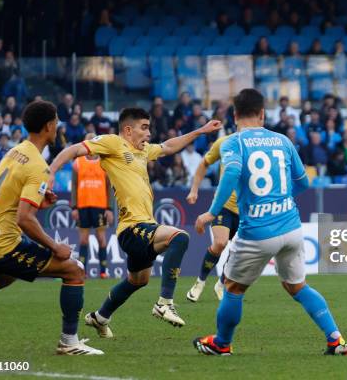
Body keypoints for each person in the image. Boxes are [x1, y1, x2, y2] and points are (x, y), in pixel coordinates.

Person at [193, 88, 347, 356]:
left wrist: (211, 211)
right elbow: (303, 182)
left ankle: (221, 343)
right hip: (291, 227)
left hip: (257, 231)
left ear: (234, 114)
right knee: (297, 286)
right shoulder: (283, 140)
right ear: (263, 114)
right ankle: (336, 339)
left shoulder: (234, 142)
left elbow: (231, 171)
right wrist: (282, 198)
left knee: (233, 286)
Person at [49, 107, 222, 335]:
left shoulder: (142, 151)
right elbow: (74, 149)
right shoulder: (112, 142)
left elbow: (169, 146)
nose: (149, 133)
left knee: (138, 280)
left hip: (144, 225)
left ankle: (100, 317)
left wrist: (200, 130)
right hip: (132, 227)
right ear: (128, 130)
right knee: (179, 237)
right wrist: (51, 171)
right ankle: (164, 303)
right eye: (144, 127)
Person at [0, 100, 104, 355]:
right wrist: (54, 246)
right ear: (48, 126)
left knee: (2, 277)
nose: (58, 125)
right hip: (2, 244)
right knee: (74, 271)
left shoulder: (14, 152)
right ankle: (69, 342)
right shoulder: (38, 166)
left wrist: (40, 202)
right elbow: (24, 219)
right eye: (56, 121)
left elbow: (10, 199)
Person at [185, 135, 239, 303]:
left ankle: (221, 284)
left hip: (247, 209)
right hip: (224, 205)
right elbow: (204, 164)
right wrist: (194, 189)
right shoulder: (224, 142)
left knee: (239, 252)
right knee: (220, 243)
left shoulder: (260, 144)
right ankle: (200, 282)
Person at [71, 133, 114, 279]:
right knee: (83, 240)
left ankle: (103, 271)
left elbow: (109, 187)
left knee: (101, 239)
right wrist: (74, 207)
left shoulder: (104, 162)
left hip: (100, 206)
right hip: (82, 206)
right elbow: (74, 186)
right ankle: (83, 271)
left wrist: (109, 209)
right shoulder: (77, 162)